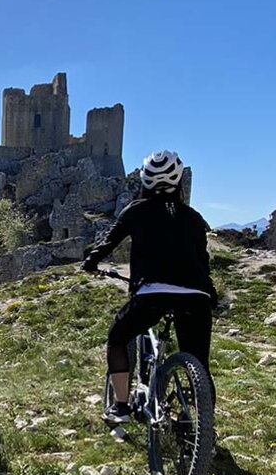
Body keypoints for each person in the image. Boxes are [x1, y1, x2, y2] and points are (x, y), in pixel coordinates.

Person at [82, 150, 217, 423]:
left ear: (145, 180)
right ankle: (202, 428)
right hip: (197, 297)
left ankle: (121, 406)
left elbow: (109, 242)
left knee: (118, 338)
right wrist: (210, 293)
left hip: (152, 292)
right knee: (199, 362)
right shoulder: (194, 218)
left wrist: (90, 263)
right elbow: (203, 260)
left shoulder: (136, 210)